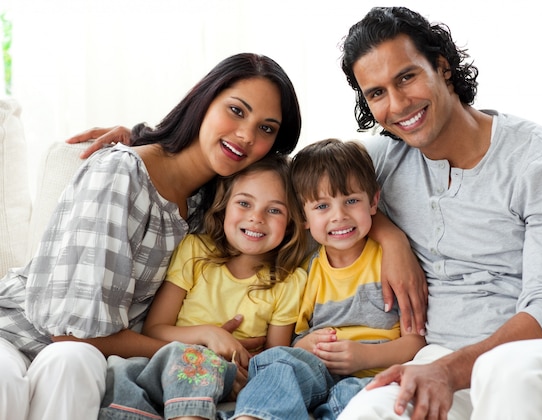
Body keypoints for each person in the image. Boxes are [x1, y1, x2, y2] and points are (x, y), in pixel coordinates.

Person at [334, 6, 542, 420]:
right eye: (376, 93)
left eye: (407, 77)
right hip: (438, 358)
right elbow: (316, 187)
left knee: (511, 376)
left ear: (442, 67)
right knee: (368, 411)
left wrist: (447, 371)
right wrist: (388, 235)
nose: (397, 105)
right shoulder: (387, 161)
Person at [0, 52, 302, 420]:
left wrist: (387, 235)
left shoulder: (215, 206)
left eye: (266, 129)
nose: (246, 135)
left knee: (73, 363)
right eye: (237, 111)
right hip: (17, 335)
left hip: (81, 358)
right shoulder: (120, 174)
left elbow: (319, 191)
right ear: (202, 98)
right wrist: (201, 340)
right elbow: (72, 332)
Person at [99, 153, 309, 420]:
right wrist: (210, 335)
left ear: (292, 221)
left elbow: (274, 357)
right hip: (172, 365)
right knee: (122, 373)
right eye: (244, 203)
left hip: (232, 376)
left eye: (274, 210)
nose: (256, 218)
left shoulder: (289, 281)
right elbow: (155, 329)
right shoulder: (195, 252)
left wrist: (231, 371)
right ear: (224, 207)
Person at [230, 138, 424, 420]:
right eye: (322, 207)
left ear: (373, 201)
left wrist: (363, 357)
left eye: (351, 201)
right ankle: (254, 416)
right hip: (318, 371)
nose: (339, 216)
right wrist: (304, 345)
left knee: (355, 397)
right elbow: (294, 341)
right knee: (278, 362)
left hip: (372, 373)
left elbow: (416, 343)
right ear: (303, 217)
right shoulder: (307, 272)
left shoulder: (390, 263)